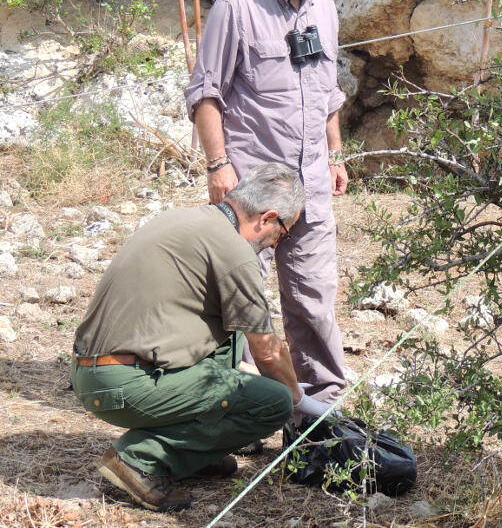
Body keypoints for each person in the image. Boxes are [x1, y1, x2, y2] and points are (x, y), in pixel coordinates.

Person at [70, 164, 332, 512]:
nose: (276, 242)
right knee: (272, 403)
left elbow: (234, 347)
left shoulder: (186, 219)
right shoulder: (235, 253)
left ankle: (195, 452)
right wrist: (300, 401)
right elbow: (267, 352)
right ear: (266, 218)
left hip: (94, 373)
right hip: (123, 383)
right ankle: (138, 458)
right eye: (282, 231)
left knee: (232, 337)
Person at [184, 0, 350, 405]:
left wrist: (336, 154)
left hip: (312, 187)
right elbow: (205, 93)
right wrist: (218, 165)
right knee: (238, 305)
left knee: (314, 301)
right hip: (253, 188)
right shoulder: (237, 5)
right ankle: (238, 408)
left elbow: (329, 93)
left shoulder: (324, 8)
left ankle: (322, 410)